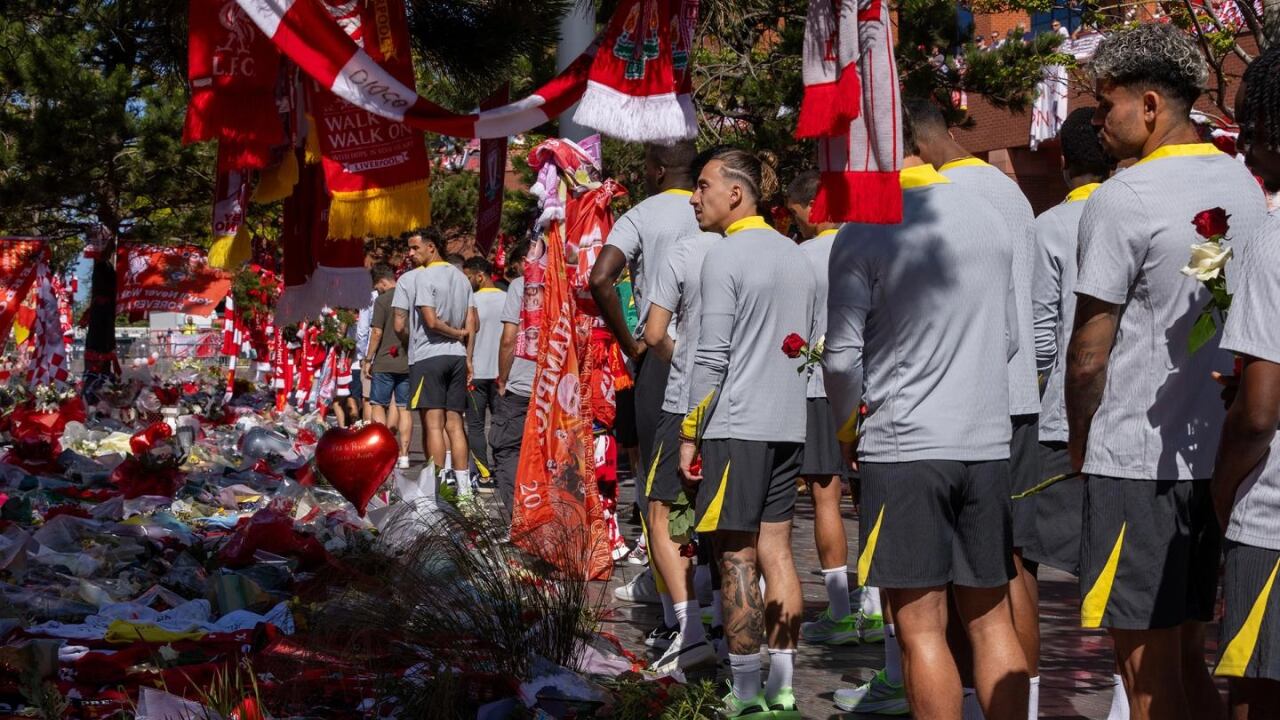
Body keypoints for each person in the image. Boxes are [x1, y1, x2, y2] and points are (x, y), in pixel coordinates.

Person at [1065, 22, 1265, 720]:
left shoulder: (1124, 195)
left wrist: (1081, 441)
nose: (1097, 120)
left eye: (1105, 103)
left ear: (1150, 106)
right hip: (1219, 454)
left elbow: (1090, 350)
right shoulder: (1244, 182)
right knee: (1185, 659)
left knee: (1146, 677)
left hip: (1139, 462)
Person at [825, 102, 1029, 720]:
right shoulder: (989, 218)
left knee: (920, 629)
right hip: (986, 441)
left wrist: (845, 427)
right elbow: (1014, 339)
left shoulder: (863, 228)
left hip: (906, 443)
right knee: (992, 620)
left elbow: (838, 360)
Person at [909, 96, 1042, 715]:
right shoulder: (1008, 191)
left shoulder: (939, 198)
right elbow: (1037, 314)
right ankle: (1024, 699)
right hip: (1016, 394)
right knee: (1007, 565)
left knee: (976, 577)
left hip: (960, 402)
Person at [677, 148, 815, 719]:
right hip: (788, 420)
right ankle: (782, 690)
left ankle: (748, 695)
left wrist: (690, 431)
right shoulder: (796, 255)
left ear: (736, 193)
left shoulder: (724, 256)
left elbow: (710, 356)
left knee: (736, 555)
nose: (695, 196)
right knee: (779, 550)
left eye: (703, 185)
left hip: (736, 424)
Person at [1029, 108, 1130, 720]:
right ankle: (1122, 698)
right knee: (1122, 563)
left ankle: (1036, 698)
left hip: (1058, 419)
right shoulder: (1138, 211)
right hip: (1131, 416)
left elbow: (1043, 338)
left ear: (1063, 162)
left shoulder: (1050, 227)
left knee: (1032, 568)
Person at [591, 141, 702, 643]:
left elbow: (601, 279)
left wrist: (630, 343)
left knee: (659, 493)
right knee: (710, 484)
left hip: (661, 354)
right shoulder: (719, 208)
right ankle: (714, 605)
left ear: (656, 169)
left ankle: (677, 619)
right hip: (722, 356)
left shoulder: (641, 213)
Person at [1210, 43, 1280, 720]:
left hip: (1274, 524)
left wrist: (1221, 491)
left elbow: (1258, 414)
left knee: (1255, 701)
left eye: (1251, 132)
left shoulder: (1272, 241)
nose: (1247, 150)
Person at [783, 170, 875, 648]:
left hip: (820, 385)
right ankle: (877, 607)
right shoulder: (870, 245)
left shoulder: (802, 257)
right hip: (872, 383)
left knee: (825, 495)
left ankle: (840, 610)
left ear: (810, 209)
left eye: (796, 216)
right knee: (872, 497)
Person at [641, 195, 724, 673]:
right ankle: (747, 656)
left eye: (703, 186)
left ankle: (689, 629)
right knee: (746, 527)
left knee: (662, 509)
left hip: (687, 401)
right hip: (746, 403)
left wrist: (689, 362)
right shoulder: (778, 249)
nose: (694, 198)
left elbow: (654, 334)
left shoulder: (687, 251)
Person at [394, 229, 477, 489]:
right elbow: (473, 321)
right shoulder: (462, 278)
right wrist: (468, 356)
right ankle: (463, 489)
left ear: (431, 247)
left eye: (414, 248)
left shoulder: (423, 277)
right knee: (455, 424)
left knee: (433, 425)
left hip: (430, 355)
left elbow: (430, 321)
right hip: (457, 356)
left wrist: (455, 333)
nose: (410, 254)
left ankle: (437, 488)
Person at [493, 243, 534, 520]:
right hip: (561, 386)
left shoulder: (522, 285)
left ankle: (519, 519)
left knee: (507, 449)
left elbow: (509, 338)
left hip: (521, 382)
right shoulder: (568, 283)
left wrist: (503, 378)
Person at [462, 256, 506, 485]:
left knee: (476, 425)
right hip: (501, 374)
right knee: (501, 422)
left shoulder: (471, 301)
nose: (466, 281)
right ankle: (503, 469)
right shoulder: (508, 299)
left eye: (468, 276)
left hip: (476, 372)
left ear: (480, 276)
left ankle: (484, 474)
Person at [364, 263, 412, 467]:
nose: (377, 290)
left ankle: (382, 451)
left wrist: (368, 359)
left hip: (384, 360)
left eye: (377, 287)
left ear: (383, 282)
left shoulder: (382, 301)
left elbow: (376, 332)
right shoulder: (410, 298)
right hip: (407, 360)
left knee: (377, 404)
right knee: (404, 409)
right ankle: (404, 455)